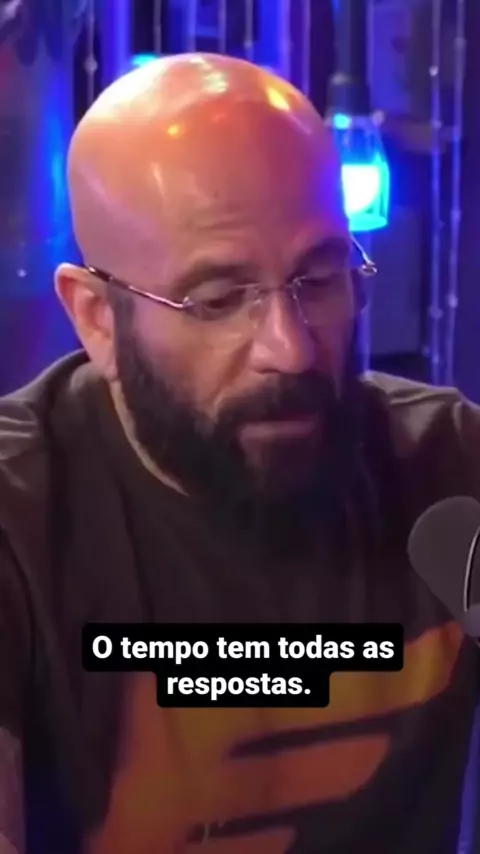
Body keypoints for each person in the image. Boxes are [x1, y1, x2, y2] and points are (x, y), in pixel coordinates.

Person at [0, 53, 479, 854]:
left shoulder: (449, 470)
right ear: (97, 319)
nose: (290, 350)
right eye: (218, 299)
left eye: (319, 279)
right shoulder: (19, 520)